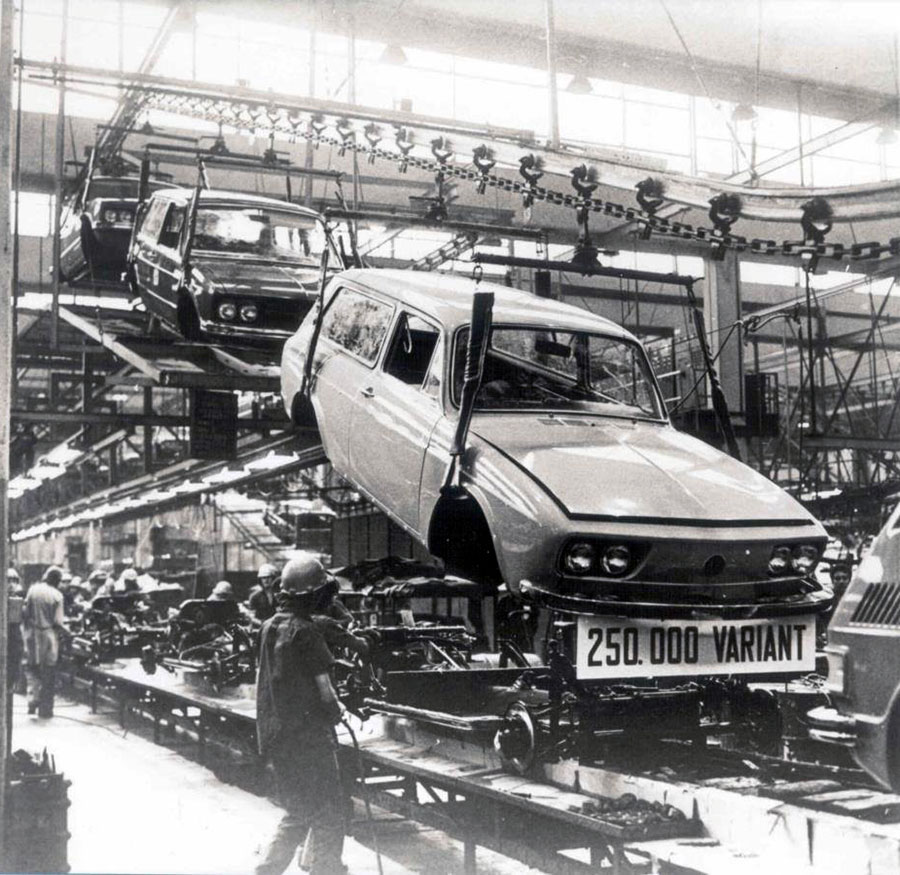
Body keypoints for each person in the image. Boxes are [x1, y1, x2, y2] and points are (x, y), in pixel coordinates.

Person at [255, 554, 359, 875]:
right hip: (308, 739)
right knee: (330, 812)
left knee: (298, 811)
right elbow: (325, 692)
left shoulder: (267, 627)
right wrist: (339, 711)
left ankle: (266, 871)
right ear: (312, 595)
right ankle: (326, 870)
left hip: (276, 737)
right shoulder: (307, 632)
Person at [21, 566, 67, 718]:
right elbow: (58, 622)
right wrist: (69, 632)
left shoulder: (33, 589)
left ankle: (33, 700)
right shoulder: (57, 595)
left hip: (32, 634)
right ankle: (45, 710)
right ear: (57, 581)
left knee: (33, 669)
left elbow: (25, 612)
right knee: (49, 673)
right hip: (49, 636)